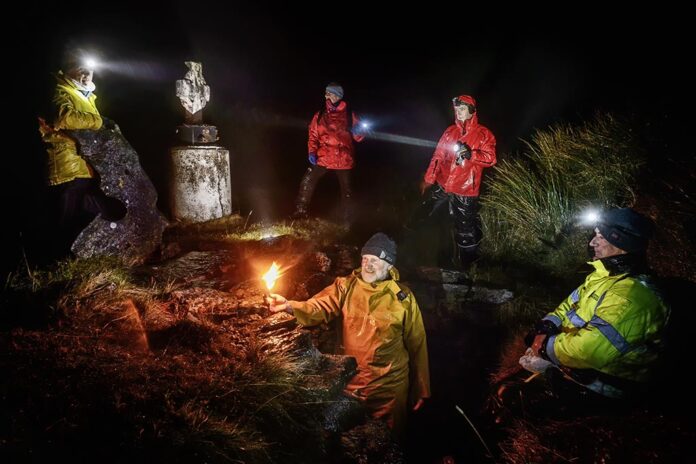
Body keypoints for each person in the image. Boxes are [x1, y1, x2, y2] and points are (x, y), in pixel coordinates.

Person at [268, 233, 430, 436]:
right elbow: (319, 306)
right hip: (352, 383)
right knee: (350, 442)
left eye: (376, 260)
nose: (368, 265)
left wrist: (422, 388)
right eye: (365, 259)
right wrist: (290, 306)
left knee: (388, 444)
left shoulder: (403, 298)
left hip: (389, 390)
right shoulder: (346, 286)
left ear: (389, 266)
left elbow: (418, 343)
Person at [520, 208, 670, 400]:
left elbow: (589, 352)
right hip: (580, 369)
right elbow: (568, 306)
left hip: (608, 385)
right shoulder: (602, 276)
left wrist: (544, 347)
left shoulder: (633, 296)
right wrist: (545, 327)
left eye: (601, 237)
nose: (592, 242)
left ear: (622, 244)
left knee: (515, 402)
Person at [38, 49, 126, 255]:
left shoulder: (84, 95)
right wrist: (100, 121)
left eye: (89, 71)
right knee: (67, 222)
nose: (86, 75)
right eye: (81, 70)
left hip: (84, 166)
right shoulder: (61, 91)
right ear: (68, 70)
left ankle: (82, 261)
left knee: (88, 216)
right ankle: (58, 267)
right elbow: (65, 117)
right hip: (67, 168)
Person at [411, 95, 496, 268]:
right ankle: (409, 240)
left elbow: (491, 159)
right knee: (426, 208)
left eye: (462, 109)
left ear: (472, 111)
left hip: (465, 189)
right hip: (443, 183)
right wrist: (429, 178)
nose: (459, 113)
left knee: (465, 228)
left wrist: (471, 154)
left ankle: (468, 264)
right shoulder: (450, 131)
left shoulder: (483, 134)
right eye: (457, 110)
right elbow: (438, 156)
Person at [291, 82, 364, 222]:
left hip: (344, 159)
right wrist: (311, 152)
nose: (326, 96)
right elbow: (312, 135)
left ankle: (348, 219)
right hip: (323, 157)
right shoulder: (320, 115)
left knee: (347, 191)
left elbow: (358, 137)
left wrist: (360, 131)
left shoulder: (350, 114)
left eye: (329, 93)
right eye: (326, 93)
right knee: (308, 180)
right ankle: (300, 212)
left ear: (337, 96)